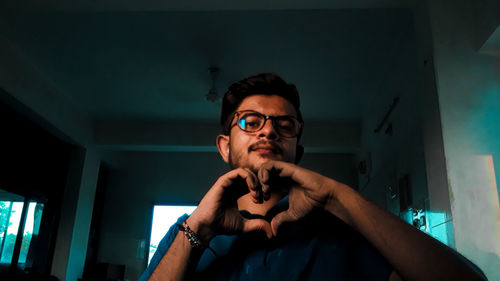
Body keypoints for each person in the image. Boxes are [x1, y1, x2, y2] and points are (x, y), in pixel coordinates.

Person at [139, 73, 486, 281]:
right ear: (225, 146)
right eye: (251, 121)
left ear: (297, 152)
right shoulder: (187, 232)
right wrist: (196, 232)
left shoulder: (337, 233)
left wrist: (339, 197)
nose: (269, 132)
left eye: (284, 125)